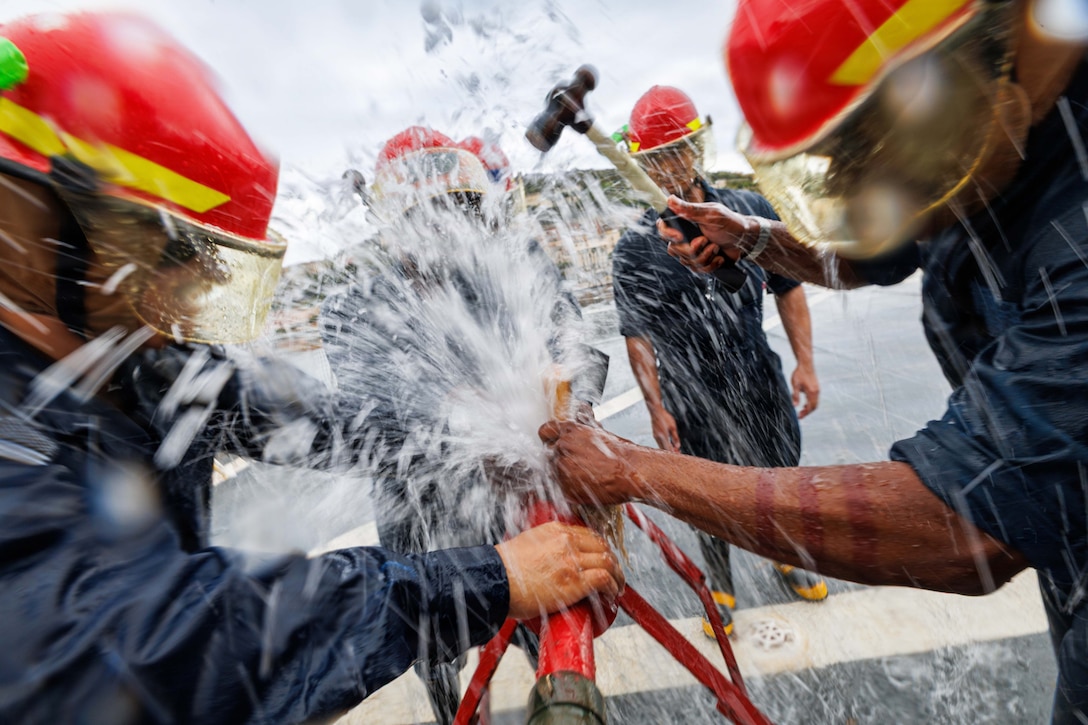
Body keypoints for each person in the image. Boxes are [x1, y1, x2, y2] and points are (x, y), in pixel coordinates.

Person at [0, 13, 623, 723]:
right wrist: (486, 578)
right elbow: (119, 647)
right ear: (19, 210)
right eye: (172, 255)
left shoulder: (143, 359)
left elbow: (329, 422)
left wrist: (491, 437)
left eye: (211, 269)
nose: (192, 296)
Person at [541, 0, 1088, 721]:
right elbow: (875, 251)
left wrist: (633, 468)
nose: (889, 198)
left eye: (878, 157)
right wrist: (756, 239)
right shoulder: (965, 143)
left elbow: (968, 523)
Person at [321, 126, 604, 724]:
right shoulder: (354, 302)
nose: (449, 231)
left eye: (462, 209)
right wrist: (468, 435)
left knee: (538, 606)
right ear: (394, 224)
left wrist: (573, 403)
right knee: (430, 634)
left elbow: (576, 342)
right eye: (429, 218)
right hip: (417, 507)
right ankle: (455, 711)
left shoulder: (514, 264)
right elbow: (377, 417)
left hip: (514, 498)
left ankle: (548, 686)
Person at [612, 85, 824, 637]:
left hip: (757, 372)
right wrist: (657, 408)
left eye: (678, 152)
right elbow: (638, 336)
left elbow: (789, 286)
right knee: (707, 492)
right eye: (657, 158)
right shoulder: (636, 244)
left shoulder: (748, 211)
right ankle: (720, 580)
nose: (670, 166)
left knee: (781, 471)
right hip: (690, 391)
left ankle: (787, 555)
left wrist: (806, 363)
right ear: (643, 164)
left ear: (698, 149)